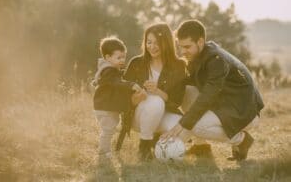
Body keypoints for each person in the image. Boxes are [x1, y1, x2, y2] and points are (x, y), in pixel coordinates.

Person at [162, 20, 264, 161]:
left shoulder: (216, 60)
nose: (183, 51)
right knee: (187, 91)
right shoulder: (198, 55)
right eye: (181, 47)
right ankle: (201, 146)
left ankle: (242, 140)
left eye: (187, 47)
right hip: (223, 105)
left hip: (244, 112)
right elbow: (185, 85)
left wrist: (181, 124)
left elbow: (207, 97)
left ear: (200, 42)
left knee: (197, 127)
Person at [124, 23, 187, 160]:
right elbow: (122, 95)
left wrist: (157, 91)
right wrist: (135, 98)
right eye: (149, 42)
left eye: (157, 43)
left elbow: (177, 101)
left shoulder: (178, 66)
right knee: (155, 103)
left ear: (167, 43)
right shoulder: (137, 63)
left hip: (164, 114)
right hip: (139, 117)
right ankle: (144, 146)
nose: (152, 47)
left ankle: (157, 141)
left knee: (184, 130)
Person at [93, 36, 146, 158]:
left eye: (123, 57)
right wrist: (131, 84)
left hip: (105, 106)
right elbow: (116, 82)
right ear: (107, 57)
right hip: (104, 106)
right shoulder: (109, 71)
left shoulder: (110, 69)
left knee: (110, 128)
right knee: (108, 130)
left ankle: (105, 150)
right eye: (119, 57)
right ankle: (103, 152)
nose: (122, 60)